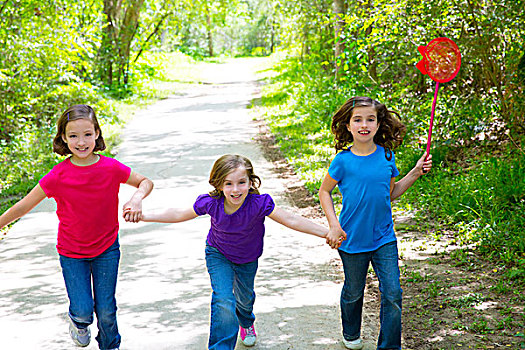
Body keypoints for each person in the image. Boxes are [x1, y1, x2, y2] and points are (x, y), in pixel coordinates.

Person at [130, 154, 336, 350]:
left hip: (247, 258)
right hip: (218, 253)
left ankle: (246, 321)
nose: (235, 189)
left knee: (244, 299)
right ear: (219, 184)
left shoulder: (259, 203)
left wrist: (327, 233)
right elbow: (178, 213)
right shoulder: (211, 203)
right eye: (228, 183)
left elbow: (291, 219)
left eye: (241, 182)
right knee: (223, 299)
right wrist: (144, 216)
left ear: (250, 182)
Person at [0, 104, 153, 350]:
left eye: (87, 135)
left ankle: (110, 345)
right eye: (73, 136)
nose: (81, 142)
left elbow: (145, 181)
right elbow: (24, 205)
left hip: (106, 249)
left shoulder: (111, 168)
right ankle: (78, 323)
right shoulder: (57, 176)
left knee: (106, 309)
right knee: (83, 310)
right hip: (72, 252)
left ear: (97, 134)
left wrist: (136, 198)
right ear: (63, 137)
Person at [318, 96, 433, 350]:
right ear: (348, 125)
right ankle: (351, 332)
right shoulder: (342, 161)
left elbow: (390, 193)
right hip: (352, 238)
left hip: (384, 237)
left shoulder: (387, 156)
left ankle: (390, 346)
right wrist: (334, 225)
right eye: (357, 119)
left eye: (370, 119)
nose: (364, 124)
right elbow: (324, 191)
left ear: (379, 124)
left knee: (392, 293)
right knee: (353, 291)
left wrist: (415, 172)